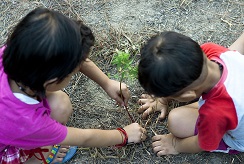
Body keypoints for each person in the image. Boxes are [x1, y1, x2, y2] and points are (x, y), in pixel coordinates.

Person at [0, 7, 147, 164]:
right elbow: (85, 138)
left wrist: (106, 82)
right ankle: (36, 158)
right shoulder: (28, 122)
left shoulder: (18, 53)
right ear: (51, 82)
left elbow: (74, 58)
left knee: (60, 105)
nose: (77, 69)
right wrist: (123, 134)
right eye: (72, 73)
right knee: (47, 141)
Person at [137, 31, 244, 156]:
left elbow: (202, 144)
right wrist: (162, 100)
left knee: (176, 121)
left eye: (166, 96)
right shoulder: (213, 51)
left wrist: (175, 144)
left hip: (237, 136)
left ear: (188, 96)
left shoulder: (215, 113)